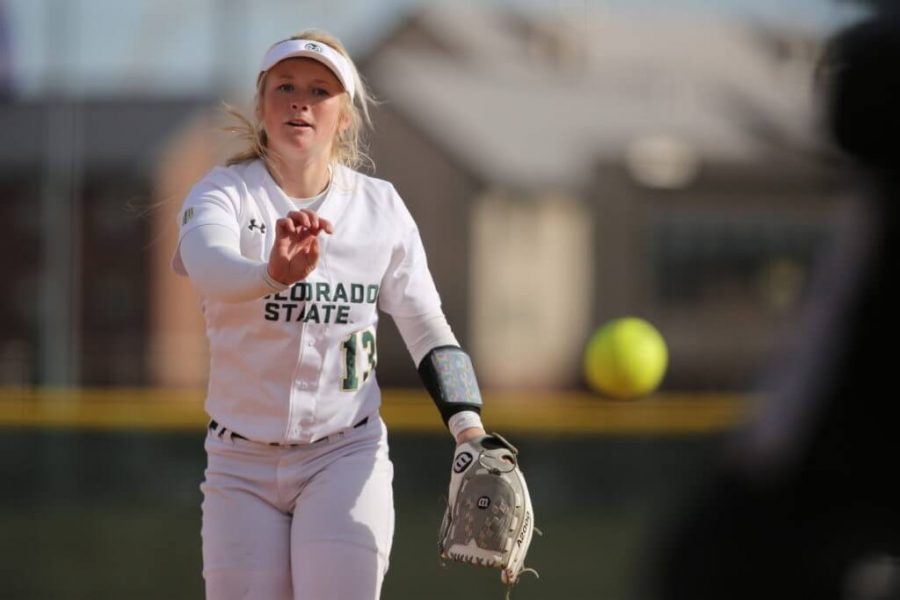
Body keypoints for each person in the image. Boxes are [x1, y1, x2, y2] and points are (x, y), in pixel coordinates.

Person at [171, 30, 490, 599]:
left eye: (320, 91)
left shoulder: (379, 207)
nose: (301, 101)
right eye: (285, 86)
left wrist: (470, 429)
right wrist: (272, 274)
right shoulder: (225, 193)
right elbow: (207, 263)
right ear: (261, 105)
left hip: (344, 454)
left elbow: (426, 325)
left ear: (344, 117)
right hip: (239, 464)